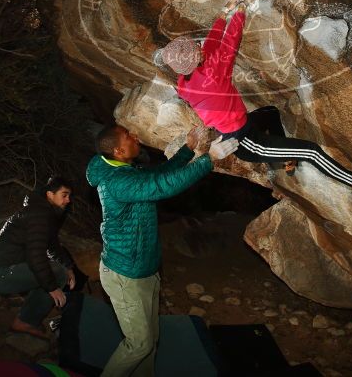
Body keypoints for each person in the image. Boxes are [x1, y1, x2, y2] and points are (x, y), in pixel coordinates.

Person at [159, 0, 352, 192]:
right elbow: (229, 43)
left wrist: (223, 13)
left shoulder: (185, 80)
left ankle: (287, 157)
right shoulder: (212, 76)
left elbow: (210, 45)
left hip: (240, 125)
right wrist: (239, 12)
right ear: (194, 60)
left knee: (271, 113)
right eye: (194, 48)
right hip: (245, 141)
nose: (198, 46)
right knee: (312, 151)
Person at [87, 124, 238, 377]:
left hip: (145, 269)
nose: (135, 136)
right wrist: (207, 160)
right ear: (118, 150)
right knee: (140, 344)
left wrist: (188, 149)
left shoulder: (126, 169)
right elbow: (162, 187)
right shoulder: (117, 181)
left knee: (150, 340)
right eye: (128, 136)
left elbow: (158, 176)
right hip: (125, 275)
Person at [0, 176, 77, 339]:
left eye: (69, 196)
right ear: (49, 194)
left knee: (57, 270)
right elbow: (36, 254)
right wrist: (52, 287)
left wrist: (69, 267)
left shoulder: (44, 212)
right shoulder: (39, 214)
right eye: (64, 195)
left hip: (6, 270)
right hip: (0, 273)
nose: (68, 200)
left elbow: (52, 245)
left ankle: (28, 308)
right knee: (56, 274)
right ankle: (25, 321)